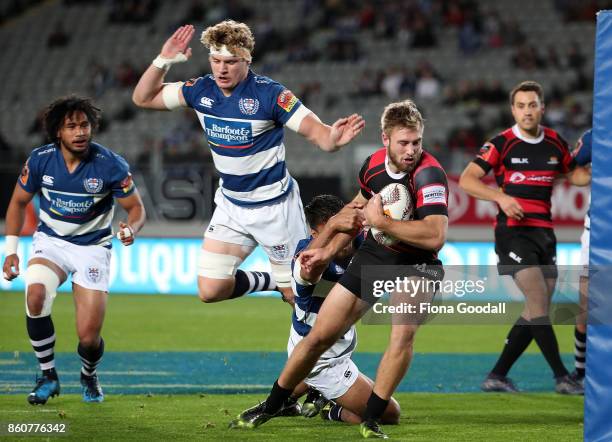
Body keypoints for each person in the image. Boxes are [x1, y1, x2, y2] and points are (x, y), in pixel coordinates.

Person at [230, 99, 449, 439]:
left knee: (401, 336)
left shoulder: (429, 174)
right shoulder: (372, 166)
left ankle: (371, 419)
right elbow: (356, 212)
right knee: (319, 334)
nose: (411, 151)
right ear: (385, 139)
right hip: (377, 254)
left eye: (417, 142)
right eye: (404, 142)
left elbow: (435, 235)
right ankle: (273, 403)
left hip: (418, 263)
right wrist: (327, 251)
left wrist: (381, 223)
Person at [132, 20, 364, 306]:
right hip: (231, 206)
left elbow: (318, 133)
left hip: (275, 209)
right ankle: (273, 280)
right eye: (215, 60)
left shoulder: (271, 95)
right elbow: (142, 98)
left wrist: (332, 138)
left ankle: (329, 339)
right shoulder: (201, 90)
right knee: (210, 289)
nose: (221, 69)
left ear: (247, 59)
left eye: (230, 61)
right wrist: (163, 59)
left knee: (298, 296)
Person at [2, 96, 146, 404]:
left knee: (89, 338)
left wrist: (130, 228)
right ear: (58, 132)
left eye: (84, 125)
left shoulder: (110, 164)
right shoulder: (40, 160)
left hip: (92, 248)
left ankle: (89, 374)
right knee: (36, 294)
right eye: (71, 126)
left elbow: (136, 208)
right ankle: (47, 376)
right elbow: (17, 202)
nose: (80, 132)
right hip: (51, 243)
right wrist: (11, 250)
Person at [459, 81, 590, 395]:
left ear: (542, 108)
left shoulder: (556, 143)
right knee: (538, 303)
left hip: (545, 235)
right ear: (513, 109)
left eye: (532, 105)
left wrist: (600, 169)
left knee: (535, 311)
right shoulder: (501, 143)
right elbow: (467, 180)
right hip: (513, 234)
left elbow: (574, 175)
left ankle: (497, 375)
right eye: (521, 106)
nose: (527, 111)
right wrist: (501, 198)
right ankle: (563, 377)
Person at [234, 194, 400, 428]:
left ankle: (290, 401)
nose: (342, 238)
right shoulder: (307, 258)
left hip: (335, 344)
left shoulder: (364, 243)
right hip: (323, 359)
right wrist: (333, 227)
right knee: (390, 413)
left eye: (346, 228)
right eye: (333, 231)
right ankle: (333, 410)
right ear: (316, 235)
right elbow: (310, 269)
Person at [571, 128, 592, 387]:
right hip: (596, 232)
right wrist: (590, 175)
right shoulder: (594, 137)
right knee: (587, 307)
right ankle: (579, 372)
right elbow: (571, 169)